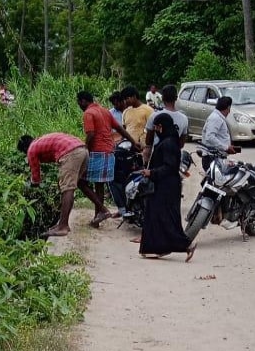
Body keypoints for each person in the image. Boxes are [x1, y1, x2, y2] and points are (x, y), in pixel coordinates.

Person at [18, 133, 113, 237]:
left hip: (71, 153)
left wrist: (30, 185)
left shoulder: (31, 149)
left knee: (67, 189)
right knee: (80, 184)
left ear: (24, 149)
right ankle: (103, 210)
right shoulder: (40, 140)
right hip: (83, 150)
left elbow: (36, 179)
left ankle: (63, 226)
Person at [138, 113, 197, 262]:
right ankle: (156, 248)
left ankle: (186, 245)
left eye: (157, 127)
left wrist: (151, 172)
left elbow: (170, 167)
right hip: (163, 185)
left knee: (165, 218)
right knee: (156, 217)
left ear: (162, 127)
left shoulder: (169, 143)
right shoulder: (168, 141)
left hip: (167, 186)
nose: (156, 130)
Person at [77, 91, 140, 225]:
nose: (79, 105)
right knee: (99, 185)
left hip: (96, 153)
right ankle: (97, 219)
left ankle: (103, 210)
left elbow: (91, 134)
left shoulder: (88, 113)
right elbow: (120, 129)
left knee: (81, 182)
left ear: (83, 101)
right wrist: (133, 142)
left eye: (79, 102)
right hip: (109, 152)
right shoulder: (105, 111)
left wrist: (84, 149)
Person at [143, 84, 189, 165]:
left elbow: (148, 142)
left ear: (163, 98)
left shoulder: (154, 116)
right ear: (176, 98)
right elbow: (181, 144)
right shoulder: (184, 118)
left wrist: (146, 161)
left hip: (157, 158)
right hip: (174, 159)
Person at [201, 96, 238, 171]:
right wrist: (226, 147)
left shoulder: (218, 117)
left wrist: (227, 147)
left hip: (217, 157)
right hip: (212, 157)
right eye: (229, 109)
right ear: (228, 108)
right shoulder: (216, 118)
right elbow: (210, 137)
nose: (229, 112)